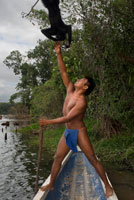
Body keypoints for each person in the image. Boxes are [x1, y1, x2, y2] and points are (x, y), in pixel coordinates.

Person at [39, 42, 113, 198]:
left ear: (85, 87)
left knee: (92, 159)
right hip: (68, 131)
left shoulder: (81, 102)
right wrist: (58, 53)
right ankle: (52, 183)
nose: (78, 80)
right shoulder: (70, 90)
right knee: (58, 158)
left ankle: (107, 186)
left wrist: (48, 122)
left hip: (79, 132)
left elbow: (67, 118)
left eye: (82, 80)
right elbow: (63, 72)